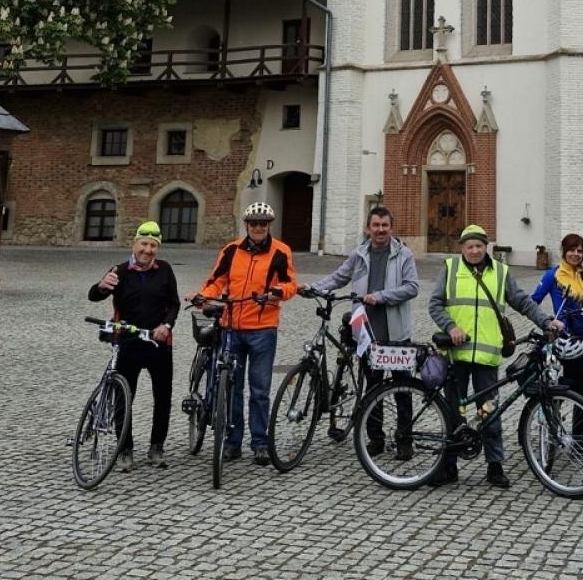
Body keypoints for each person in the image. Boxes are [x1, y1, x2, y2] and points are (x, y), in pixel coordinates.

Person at [428, 224, 562, 488]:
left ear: (486, 246)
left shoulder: (501, 272)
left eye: (479, 245)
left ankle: (495, 465)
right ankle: (449, 466)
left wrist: (545, 321)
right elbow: (435, 303)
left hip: (486, 356)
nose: (475, 250)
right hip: (456, 353)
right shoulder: (451, 269)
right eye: (470, 246)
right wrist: (450, 326)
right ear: (462, 249)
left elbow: (522, 302)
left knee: (490, 412)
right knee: (454, 410)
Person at [302, 204, 420, 458]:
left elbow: (412, 288)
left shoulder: (403, 255)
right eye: (375, 225)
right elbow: (338, 277)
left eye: (384, 226)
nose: (380, 230)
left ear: (391, 227)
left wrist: (382, 296)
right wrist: (313, 288)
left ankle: (404, 440)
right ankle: (375, 439)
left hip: (396, 333)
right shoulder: (360, 254)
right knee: (372, 387)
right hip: (367, 333)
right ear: (368, 228)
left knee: (402, 389)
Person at [191, 200, 298, 465]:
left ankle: (260, 442)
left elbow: (290, 283)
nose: (258, 228)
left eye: (263, 223)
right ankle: (232, 442)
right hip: (232, 327)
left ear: (269, 225)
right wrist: (203, 296)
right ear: (247, 226)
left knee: (260, 390)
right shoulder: (231, 250)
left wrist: (277, 292)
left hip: (263, 328)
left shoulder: (280, 251)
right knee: (232, 387)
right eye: (254, 224)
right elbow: (217, 280)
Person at [87, 220, 180, 470]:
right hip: (128, 342)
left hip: (158, 343)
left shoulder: (165, 270)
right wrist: (100, 286)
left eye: (153, 246)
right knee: (124, 397)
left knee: (163, 397)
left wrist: (166, 326)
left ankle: (156, 447)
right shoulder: (119, 271)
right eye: (144, 244)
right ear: (134, 244)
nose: (148, 250)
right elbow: (94, 295)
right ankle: (124, 449)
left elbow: (174, 304)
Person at [529, 233, 583, 427]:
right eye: (572, 250)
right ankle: (553, 398)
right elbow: (532, 301)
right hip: (566, 339)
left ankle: (581, 441)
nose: (576, 254)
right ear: (563, 251)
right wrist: (548, 320)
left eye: (580, 251)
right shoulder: (553, 275)